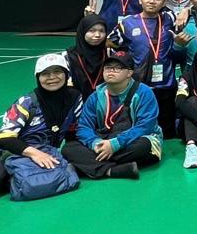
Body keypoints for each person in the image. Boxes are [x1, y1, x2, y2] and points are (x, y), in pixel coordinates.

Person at [0, 54, 82, 198]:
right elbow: (4, 138)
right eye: (45, 74)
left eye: (57, 72)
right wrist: (35, 153)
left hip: (39, 152)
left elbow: (73, 130)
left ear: (66, 74)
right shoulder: (27, 102)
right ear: (38, 77)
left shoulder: (75, 98)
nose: (52, 77)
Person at [62, 51, 162, 180]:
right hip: (105, 138)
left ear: (129, 73)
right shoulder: (96, 96)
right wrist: (95, 143)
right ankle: (113, 170)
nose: (111, 71)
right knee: (68, 148)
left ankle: (88, 164)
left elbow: (145, 126)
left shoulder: (144, 92)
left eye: (118, 68)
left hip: (135, 138)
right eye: (108, 67)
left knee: (142, 146)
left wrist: (115, 144)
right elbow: (84, 127)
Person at [109, 0, 178, 138]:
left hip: (166, 85)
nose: (152, 1)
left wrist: (186, 11)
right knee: (140, 129)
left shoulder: (170, 19)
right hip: (139, 85)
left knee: (167, 134)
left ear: (164, 2)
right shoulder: (127, 23)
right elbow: (109, 42)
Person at [66, 14, 109, 99]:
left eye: (101, 31)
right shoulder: (69, 56)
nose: (97, 35)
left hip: (104, 102)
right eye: (91, 31)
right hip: (77, 103)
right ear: (82, 31)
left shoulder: (109, 53)